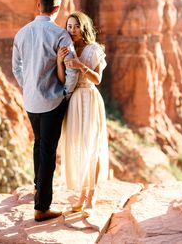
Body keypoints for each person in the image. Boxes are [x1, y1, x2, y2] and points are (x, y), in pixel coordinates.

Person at [12, 0, 78, 222]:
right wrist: (66, 94)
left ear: (38, 6)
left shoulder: (21, 33)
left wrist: (27, 86)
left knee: (39, 144)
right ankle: (41, 207)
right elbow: (71, 68)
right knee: (48, 152)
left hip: (31, 101)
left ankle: (37, 187)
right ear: (57, 9)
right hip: (52, 101)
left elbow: (16, 68)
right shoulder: (61, 35)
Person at [57, 11, 109, 214]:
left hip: (89, 97)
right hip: (73, 101)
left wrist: (80, 66)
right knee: (77, 145)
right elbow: (61, 80)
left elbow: (97, 79)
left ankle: (91, 194)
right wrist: (58, 62)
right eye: (69, 26)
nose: (72, 30)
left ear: (84, 27)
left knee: (92, 146)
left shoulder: (94, 49)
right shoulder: (66, 48)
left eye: (76, 26)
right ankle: (81, 193)